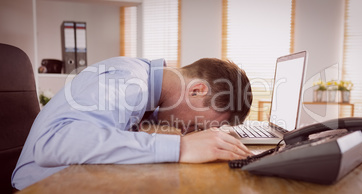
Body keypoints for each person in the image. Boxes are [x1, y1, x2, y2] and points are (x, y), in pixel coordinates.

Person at [12, 57, 253, 190]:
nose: (189, 132)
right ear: (197, 90)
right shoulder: (128, 82)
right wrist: (183, 147)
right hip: (40, 184)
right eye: (198, 126)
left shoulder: (144, 84)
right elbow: (51, 143)